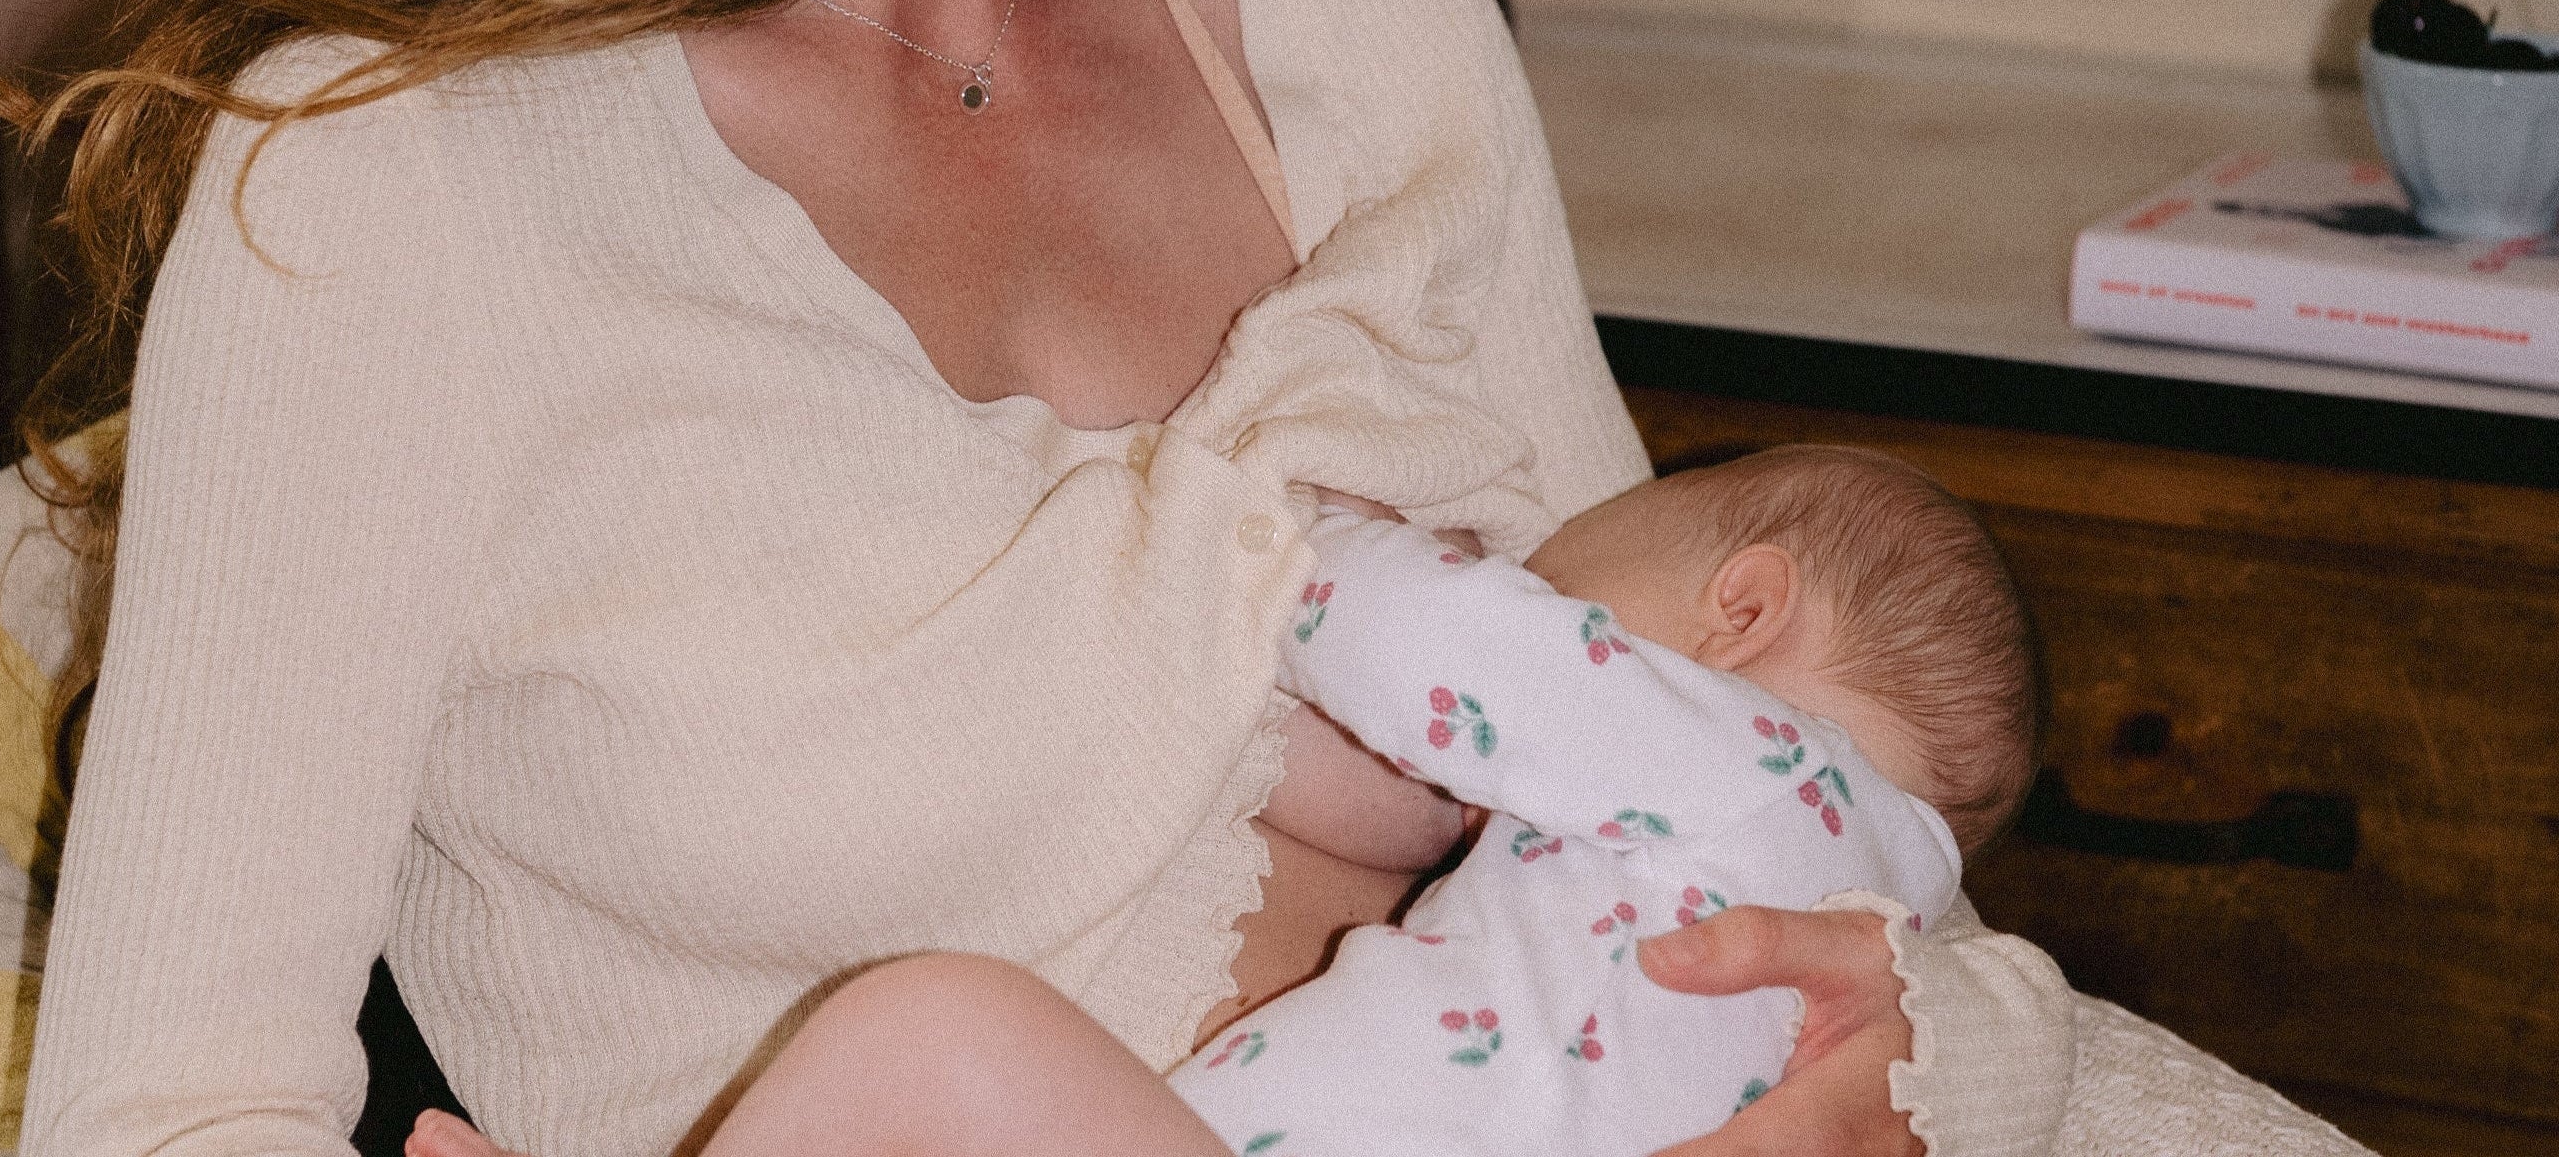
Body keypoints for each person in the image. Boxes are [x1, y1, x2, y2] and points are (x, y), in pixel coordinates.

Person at [0, 0, 2084, 1154]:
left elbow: (1798, 815)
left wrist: (1898, 1064)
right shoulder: (396, 185)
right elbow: (166, 1112)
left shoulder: (1378, 4)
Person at [397, 447, 2035, 1157]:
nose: (1540, 595)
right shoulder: (1902, 943)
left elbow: (1431, 643)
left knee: (935, 1036)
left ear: (1737, 614)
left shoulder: (1741, 768)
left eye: (1574, 595)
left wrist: (1306, 535)